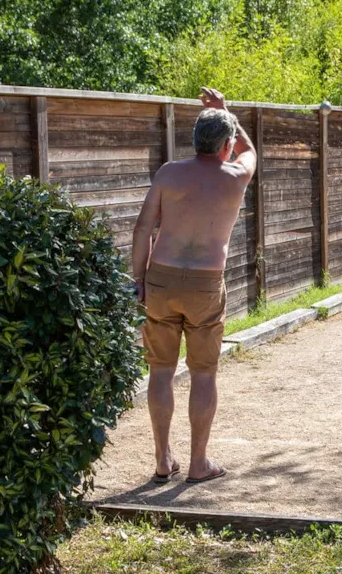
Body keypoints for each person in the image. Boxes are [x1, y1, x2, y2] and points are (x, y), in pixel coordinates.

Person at [132, 87, 256, 483]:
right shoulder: (235, 177)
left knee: (160, 371)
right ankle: (198, 463)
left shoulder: (169, 173)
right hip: (205, 285)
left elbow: (143, 228)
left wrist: (138, 279)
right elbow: (250, 151)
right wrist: (227, 112)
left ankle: (162, 460)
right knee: (203, 374)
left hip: (161, 279)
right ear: (225, 144)